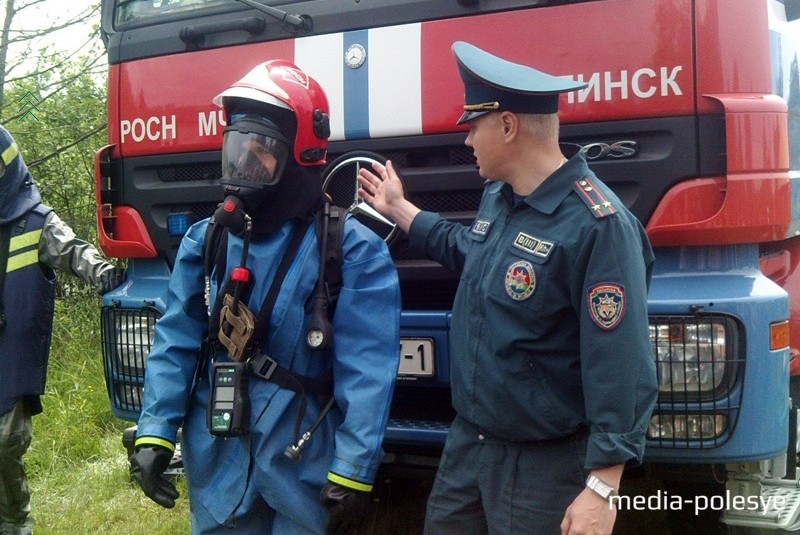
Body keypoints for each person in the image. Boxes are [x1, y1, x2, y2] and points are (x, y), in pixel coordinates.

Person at [357, 41, 658, 535]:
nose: (468, 141)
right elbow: (472, 253)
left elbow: (620, 363)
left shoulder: (598, 226)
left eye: (474, 128)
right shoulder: (501, 196)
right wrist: (401, 210)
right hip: (468, 451)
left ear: (508, 126)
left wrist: (602, 487)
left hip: (544, 469)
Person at [129, 60, 401, 535]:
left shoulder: (352, 251)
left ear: (301, 153)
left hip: (302, 464)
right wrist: (155, 430)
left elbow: (368, 373)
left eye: (262, 150)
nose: (245, 163)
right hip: (219, 458)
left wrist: (353, 473)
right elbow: (176, 338)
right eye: (238, 147)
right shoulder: (208, 239)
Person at [0, 125, 125, 535]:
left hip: (10, 355)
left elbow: (72, 249)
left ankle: (15, 523)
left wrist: (104, 272)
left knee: (5, 443)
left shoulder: (34, 221)